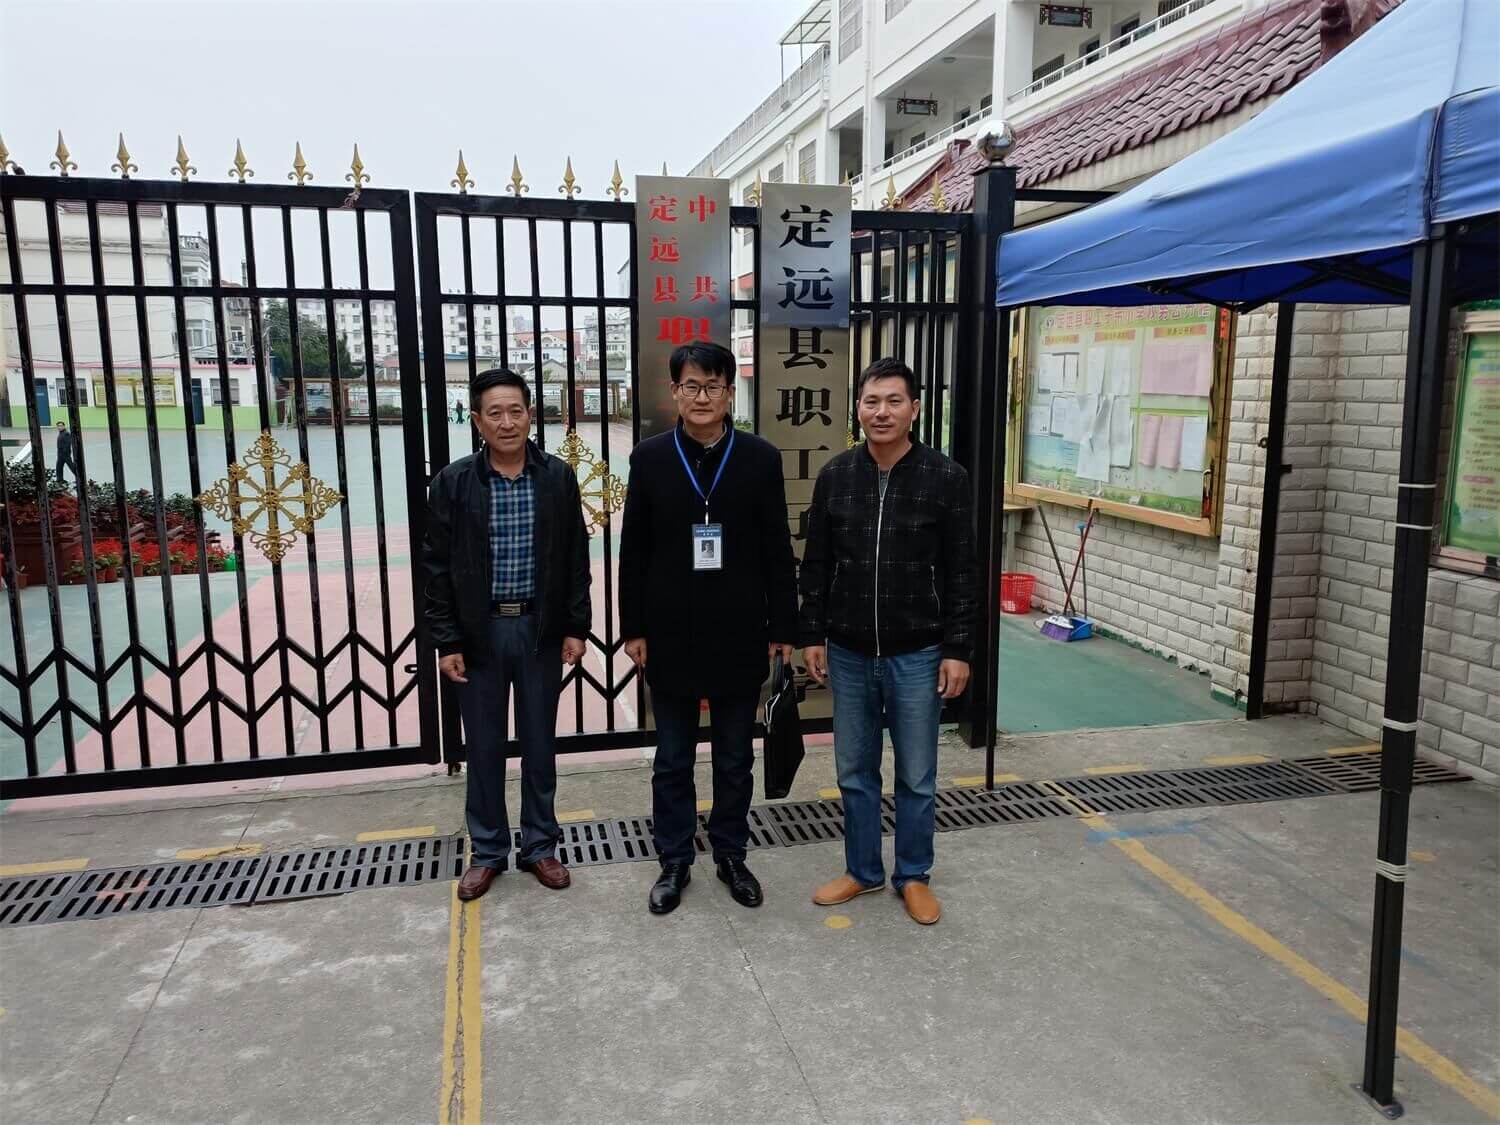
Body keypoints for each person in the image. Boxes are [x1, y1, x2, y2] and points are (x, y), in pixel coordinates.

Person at [619, 340, 797, 916]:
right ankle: (674, 859)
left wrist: (783, 625)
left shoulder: (759, 458)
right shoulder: (649, 458)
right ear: (675, 391)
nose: (702, 397)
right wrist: (633, 628)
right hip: (669, 631)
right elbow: (633, 550)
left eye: (714, 386)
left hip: (738, 629)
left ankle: (731, 854)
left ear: (728, 393)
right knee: (672, 758)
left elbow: (776, 548)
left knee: (733, 758)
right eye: (691, 386)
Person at [799, 357, 976, 926]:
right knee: (855, 771)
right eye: (872, 401)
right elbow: (816, 564)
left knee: (917, 776)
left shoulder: (946, 478)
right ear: (858, 407)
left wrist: (958, 648)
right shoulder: (836, 476)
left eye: (894, 401)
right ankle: (863, 870)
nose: (882, 412)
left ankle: (914, 875)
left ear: (914, 409)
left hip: (919, 653)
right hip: (849, 651)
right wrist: (812, 634)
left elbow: (963, 571)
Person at [423, 368, 592, 902]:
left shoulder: (557, 477)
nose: (506, 422)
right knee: (485, 747)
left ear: (530, 415)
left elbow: (575, 557)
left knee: (540, 744)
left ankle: (540, 845)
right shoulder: (454, 482)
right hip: (479, 634)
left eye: (515, 411)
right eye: (494, 413)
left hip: (539, 631)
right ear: (477, 421)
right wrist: (447, 640)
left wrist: (576, 626)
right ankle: (489, 851)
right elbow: (436, 568)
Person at [54, 421, 77, 487]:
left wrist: (64, 452)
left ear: (64, 426)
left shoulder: (66, 433)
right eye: (58, 426)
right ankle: (59, 480)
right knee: (59, 467)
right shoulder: (61, 433)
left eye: (61, 426)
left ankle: (79, 477)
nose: (59, 427)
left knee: (71, 466)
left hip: (65, 454)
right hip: (60, 454)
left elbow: (68, 444)